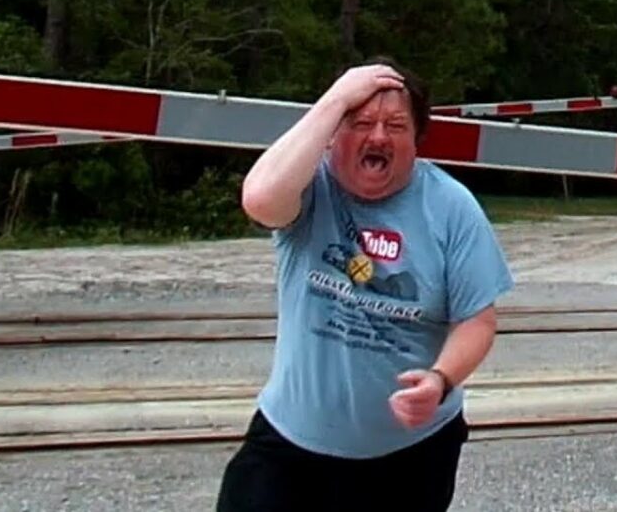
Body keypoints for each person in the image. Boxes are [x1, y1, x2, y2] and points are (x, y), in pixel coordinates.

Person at [216, 57, 514, 512]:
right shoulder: (310, 188)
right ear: (333, 132)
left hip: (408, 456)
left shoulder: (451, 206)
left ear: (416, 139)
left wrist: (440, 379)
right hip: (290, 444)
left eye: (395, 125)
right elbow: (259, 199)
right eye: (360, 123)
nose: (378, 137)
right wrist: (337, 97)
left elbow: (477, 320)